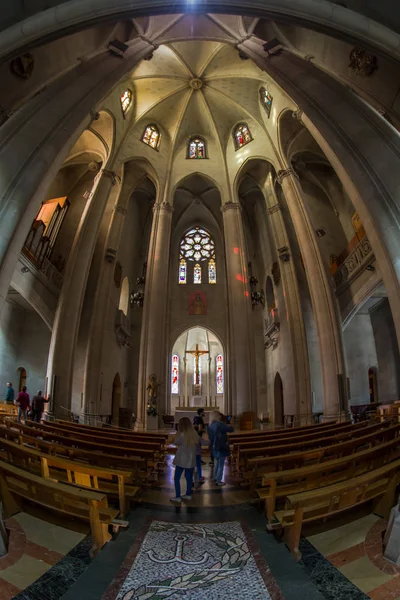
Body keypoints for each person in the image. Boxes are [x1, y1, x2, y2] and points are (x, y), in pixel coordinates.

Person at [170, 417, 198, 503]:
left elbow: (175, 442)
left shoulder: (182, 435)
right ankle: (188, 494)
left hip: (182, 460)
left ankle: (178, 496)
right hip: (191, 460)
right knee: (189, 478)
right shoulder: (194, 434)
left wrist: (177, 434)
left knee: (176, 478)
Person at [208, 410, 234, 486]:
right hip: (221, 445)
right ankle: (219, 480)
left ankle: (214, 477)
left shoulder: (210, 425)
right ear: (217, 416)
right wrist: (231, 423)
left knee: (217, 462)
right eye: (219, 415)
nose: (220, 416)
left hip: (213, 446)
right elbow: (231, 429)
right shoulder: (219, 424)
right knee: (221, 464)